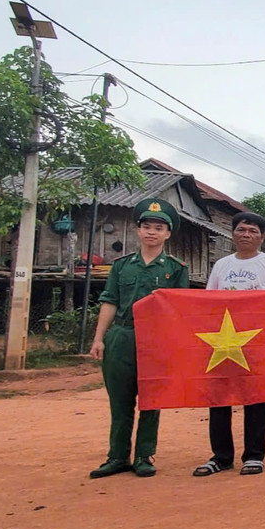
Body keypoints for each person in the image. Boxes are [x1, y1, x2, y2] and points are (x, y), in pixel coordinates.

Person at [87, 199, 189, 479]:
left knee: (151, 400)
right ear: (138, 231)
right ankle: (117, 457)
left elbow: (179, 308)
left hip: (156, 340)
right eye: (146, 227)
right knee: (119, 402)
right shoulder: (121, 266)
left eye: (158, 228)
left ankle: (144, 455)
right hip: (122, 336)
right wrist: (99, 339)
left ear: (168, 234)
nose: (151, 232)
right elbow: (109, 302)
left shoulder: (176, 268)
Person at [194, 212, 265, 477]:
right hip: (223, 341)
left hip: (258, 341)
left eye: (252, 231)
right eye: (241, 229)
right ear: (233, 233)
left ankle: (254, 456)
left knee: (257, 396)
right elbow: (208, 302)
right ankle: (221, 456)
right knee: (219, 398)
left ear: (262, 237)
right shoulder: (222, 265)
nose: (246, 234)